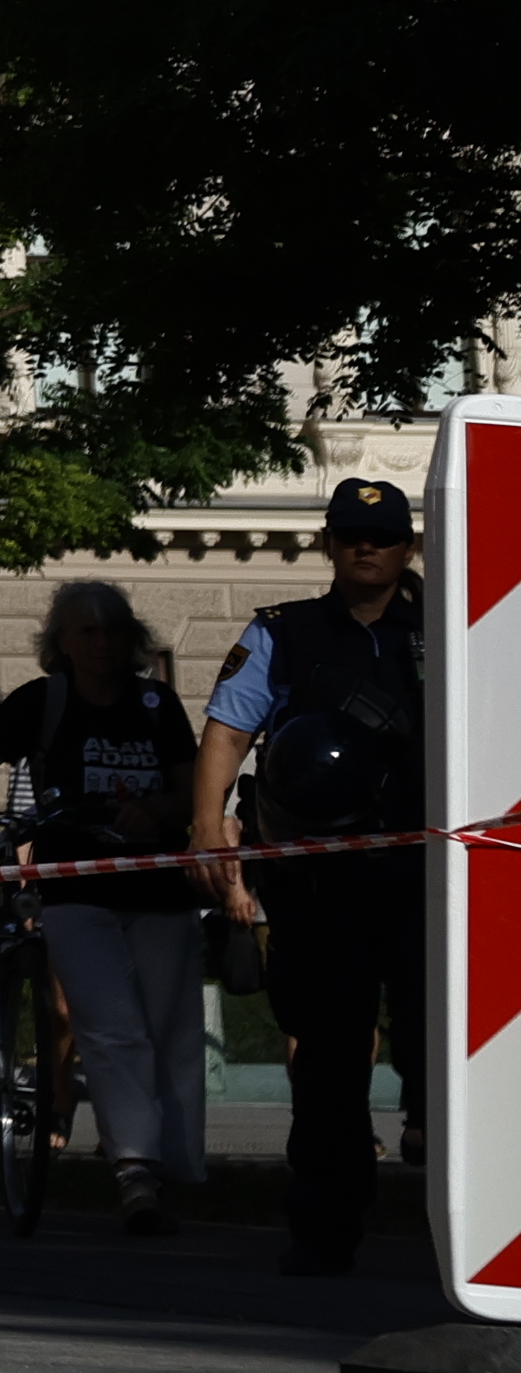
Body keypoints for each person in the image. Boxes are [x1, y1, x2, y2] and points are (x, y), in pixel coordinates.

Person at [0, 580, 203, 1233]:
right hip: (76, 888)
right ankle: (135, 1171)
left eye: (113, 631)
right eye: (86, 631)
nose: (101, 643)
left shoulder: (157, 704)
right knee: (111, 1026)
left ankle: (180, 1164)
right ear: (60, 642)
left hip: (157, 886)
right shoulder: (44, 703)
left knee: (171, 1028)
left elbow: (191, 790)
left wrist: (161, 811)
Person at [203, 475, 429, 1278]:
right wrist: (209, 832)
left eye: (384, 536)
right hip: (320, 884)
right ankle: (325, 1225)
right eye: (350, 534)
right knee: (329, 1059)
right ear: (328, 544)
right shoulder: (284, 633)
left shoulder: (461, 625)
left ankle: (448, 1191)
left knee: (439, 1042)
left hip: (428, 881)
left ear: (409, 547)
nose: (366, 547)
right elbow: (227, 732)